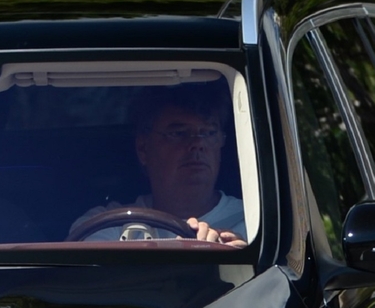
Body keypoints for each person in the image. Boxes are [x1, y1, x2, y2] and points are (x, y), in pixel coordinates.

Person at [79, 84, 248, 244]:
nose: (198, 143)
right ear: (143, 148)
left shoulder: (255, 222)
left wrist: (241, 263)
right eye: (179, 133)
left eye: (209, 132)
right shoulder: (108, 223)